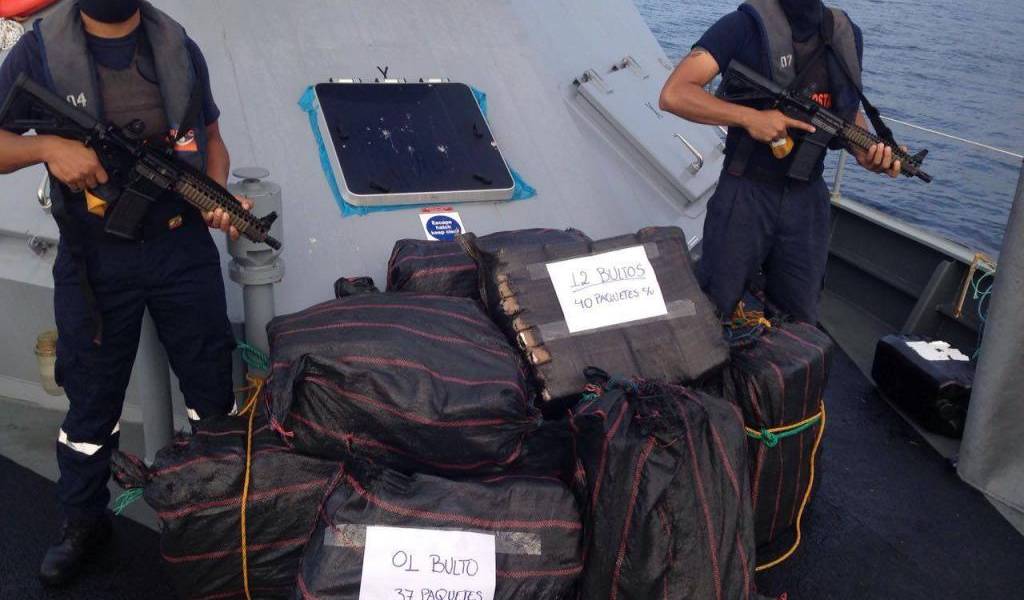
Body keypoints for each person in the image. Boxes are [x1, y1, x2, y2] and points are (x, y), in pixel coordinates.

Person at [0, 0, 247, 586]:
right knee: (90, 399)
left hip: (180, 247)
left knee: (213, 389)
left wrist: (214, 193)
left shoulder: (178, 47)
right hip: (95, 259)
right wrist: (47, 148)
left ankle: (219, 515)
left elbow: (212, 138)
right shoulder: (39, 52)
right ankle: (82, 521)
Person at [659, 0, 902, 323]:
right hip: (745, 193)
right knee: (713, 310)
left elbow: (846, 110)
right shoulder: (743, 27)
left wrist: (865, 148)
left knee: (801, 317)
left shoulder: (846, 34)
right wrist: (750, 117)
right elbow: (674, 93)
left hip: (808, 200)